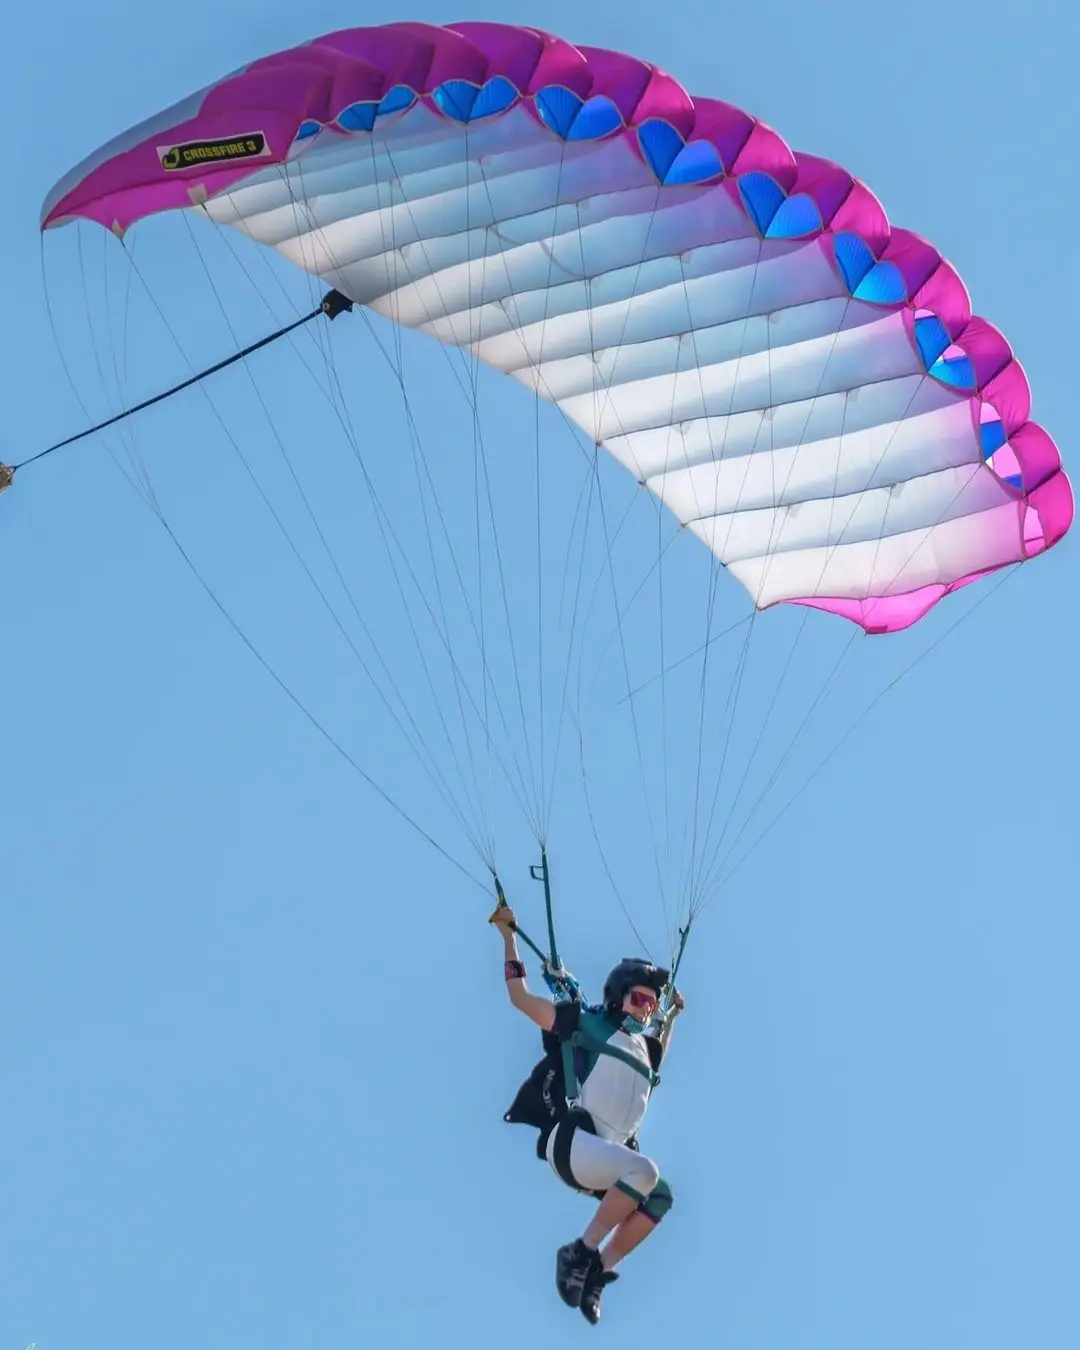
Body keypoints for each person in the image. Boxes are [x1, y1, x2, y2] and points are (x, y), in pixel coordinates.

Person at [492, 905, 685, 1324]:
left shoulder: (646, 1050)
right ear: (619, 996)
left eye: (652, 1006)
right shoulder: (587, 1024)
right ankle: (579, 1252)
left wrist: (671, 1017)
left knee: (661, 1194)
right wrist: (508, 937)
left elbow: (660, 1047)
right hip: (573, 1144)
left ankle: (598, 1272)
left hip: (607, 1159)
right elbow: (520, 999)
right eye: (639, 999)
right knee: (645, 1172)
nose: (646, 1010)